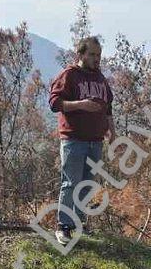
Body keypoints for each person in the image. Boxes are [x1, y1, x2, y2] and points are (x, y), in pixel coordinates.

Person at [48, 36, 115, 245]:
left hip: (96, 140)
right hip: (73, 139)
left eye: (99, 55)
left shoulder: (100, 79)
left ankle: (79, 224)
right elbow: (55, 102)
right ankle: (64, 226)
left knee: (87, 183)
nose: (96, 59)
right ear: (81, 54)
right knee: (70, 182)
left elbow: (108, 107)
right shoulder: (69, 75)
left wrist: (113, 131)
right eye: (92, 55)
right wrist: (81, 105)